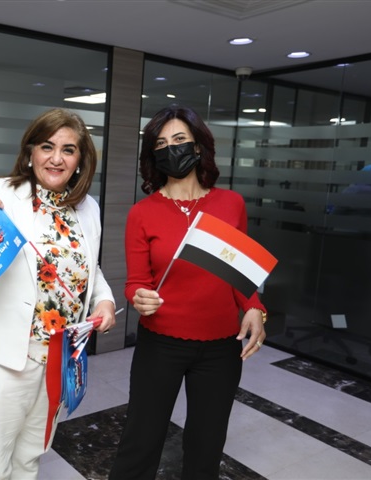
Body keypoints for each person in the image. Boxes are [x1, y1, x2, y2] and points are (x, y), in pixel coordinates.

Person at [0, 108, 116, 479]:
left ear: (80, 160)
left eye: (68, 150)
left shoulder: (88, 208)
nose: (56, 158)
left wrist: (105, 300)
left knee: (29, 461)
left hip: (57, 361)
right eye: (47, 147)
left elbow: (88, 268)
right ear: (30, 152)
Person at [109, 105, 268, 480]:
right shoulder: (142, 213)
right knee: (141, 440)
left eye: (179, 139)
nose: (171, 148)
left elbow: (240, 272)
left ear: (198, 146)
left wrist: (255, 308)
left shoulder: (230, 204)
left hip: (221, 347)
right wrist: (138, 296)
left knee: (206, 444)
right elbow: (136, 282)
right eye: (161, 144)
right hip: (160, 344)